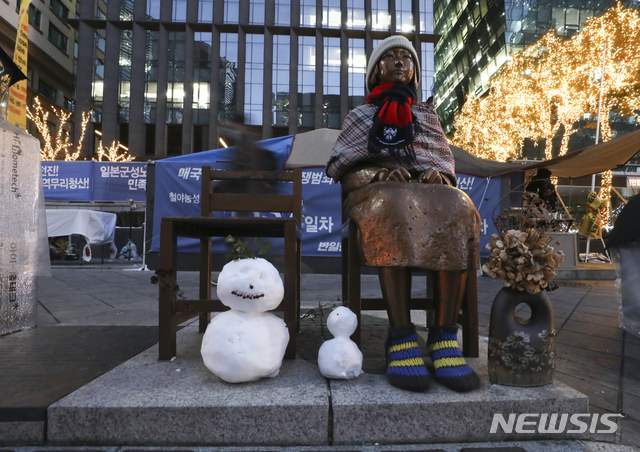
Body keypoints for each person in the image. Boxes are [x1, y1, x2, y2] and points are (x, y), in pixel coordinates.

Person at [325, 36, 480, 393]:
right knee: (391, 203)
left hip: (428, 195)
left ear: (414, 72)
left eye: (406, 58)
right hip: (374, 194)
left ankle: (443, 337)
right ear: (375, 71)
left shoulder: (427, 116)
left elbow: (443, 162)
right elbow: (341, 168)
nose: (399, 62)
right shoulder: (360, 116)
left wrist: (438, 175)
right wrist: (379, 174)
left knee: (458, 204)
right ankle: (401, 336)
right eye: (390, 57)